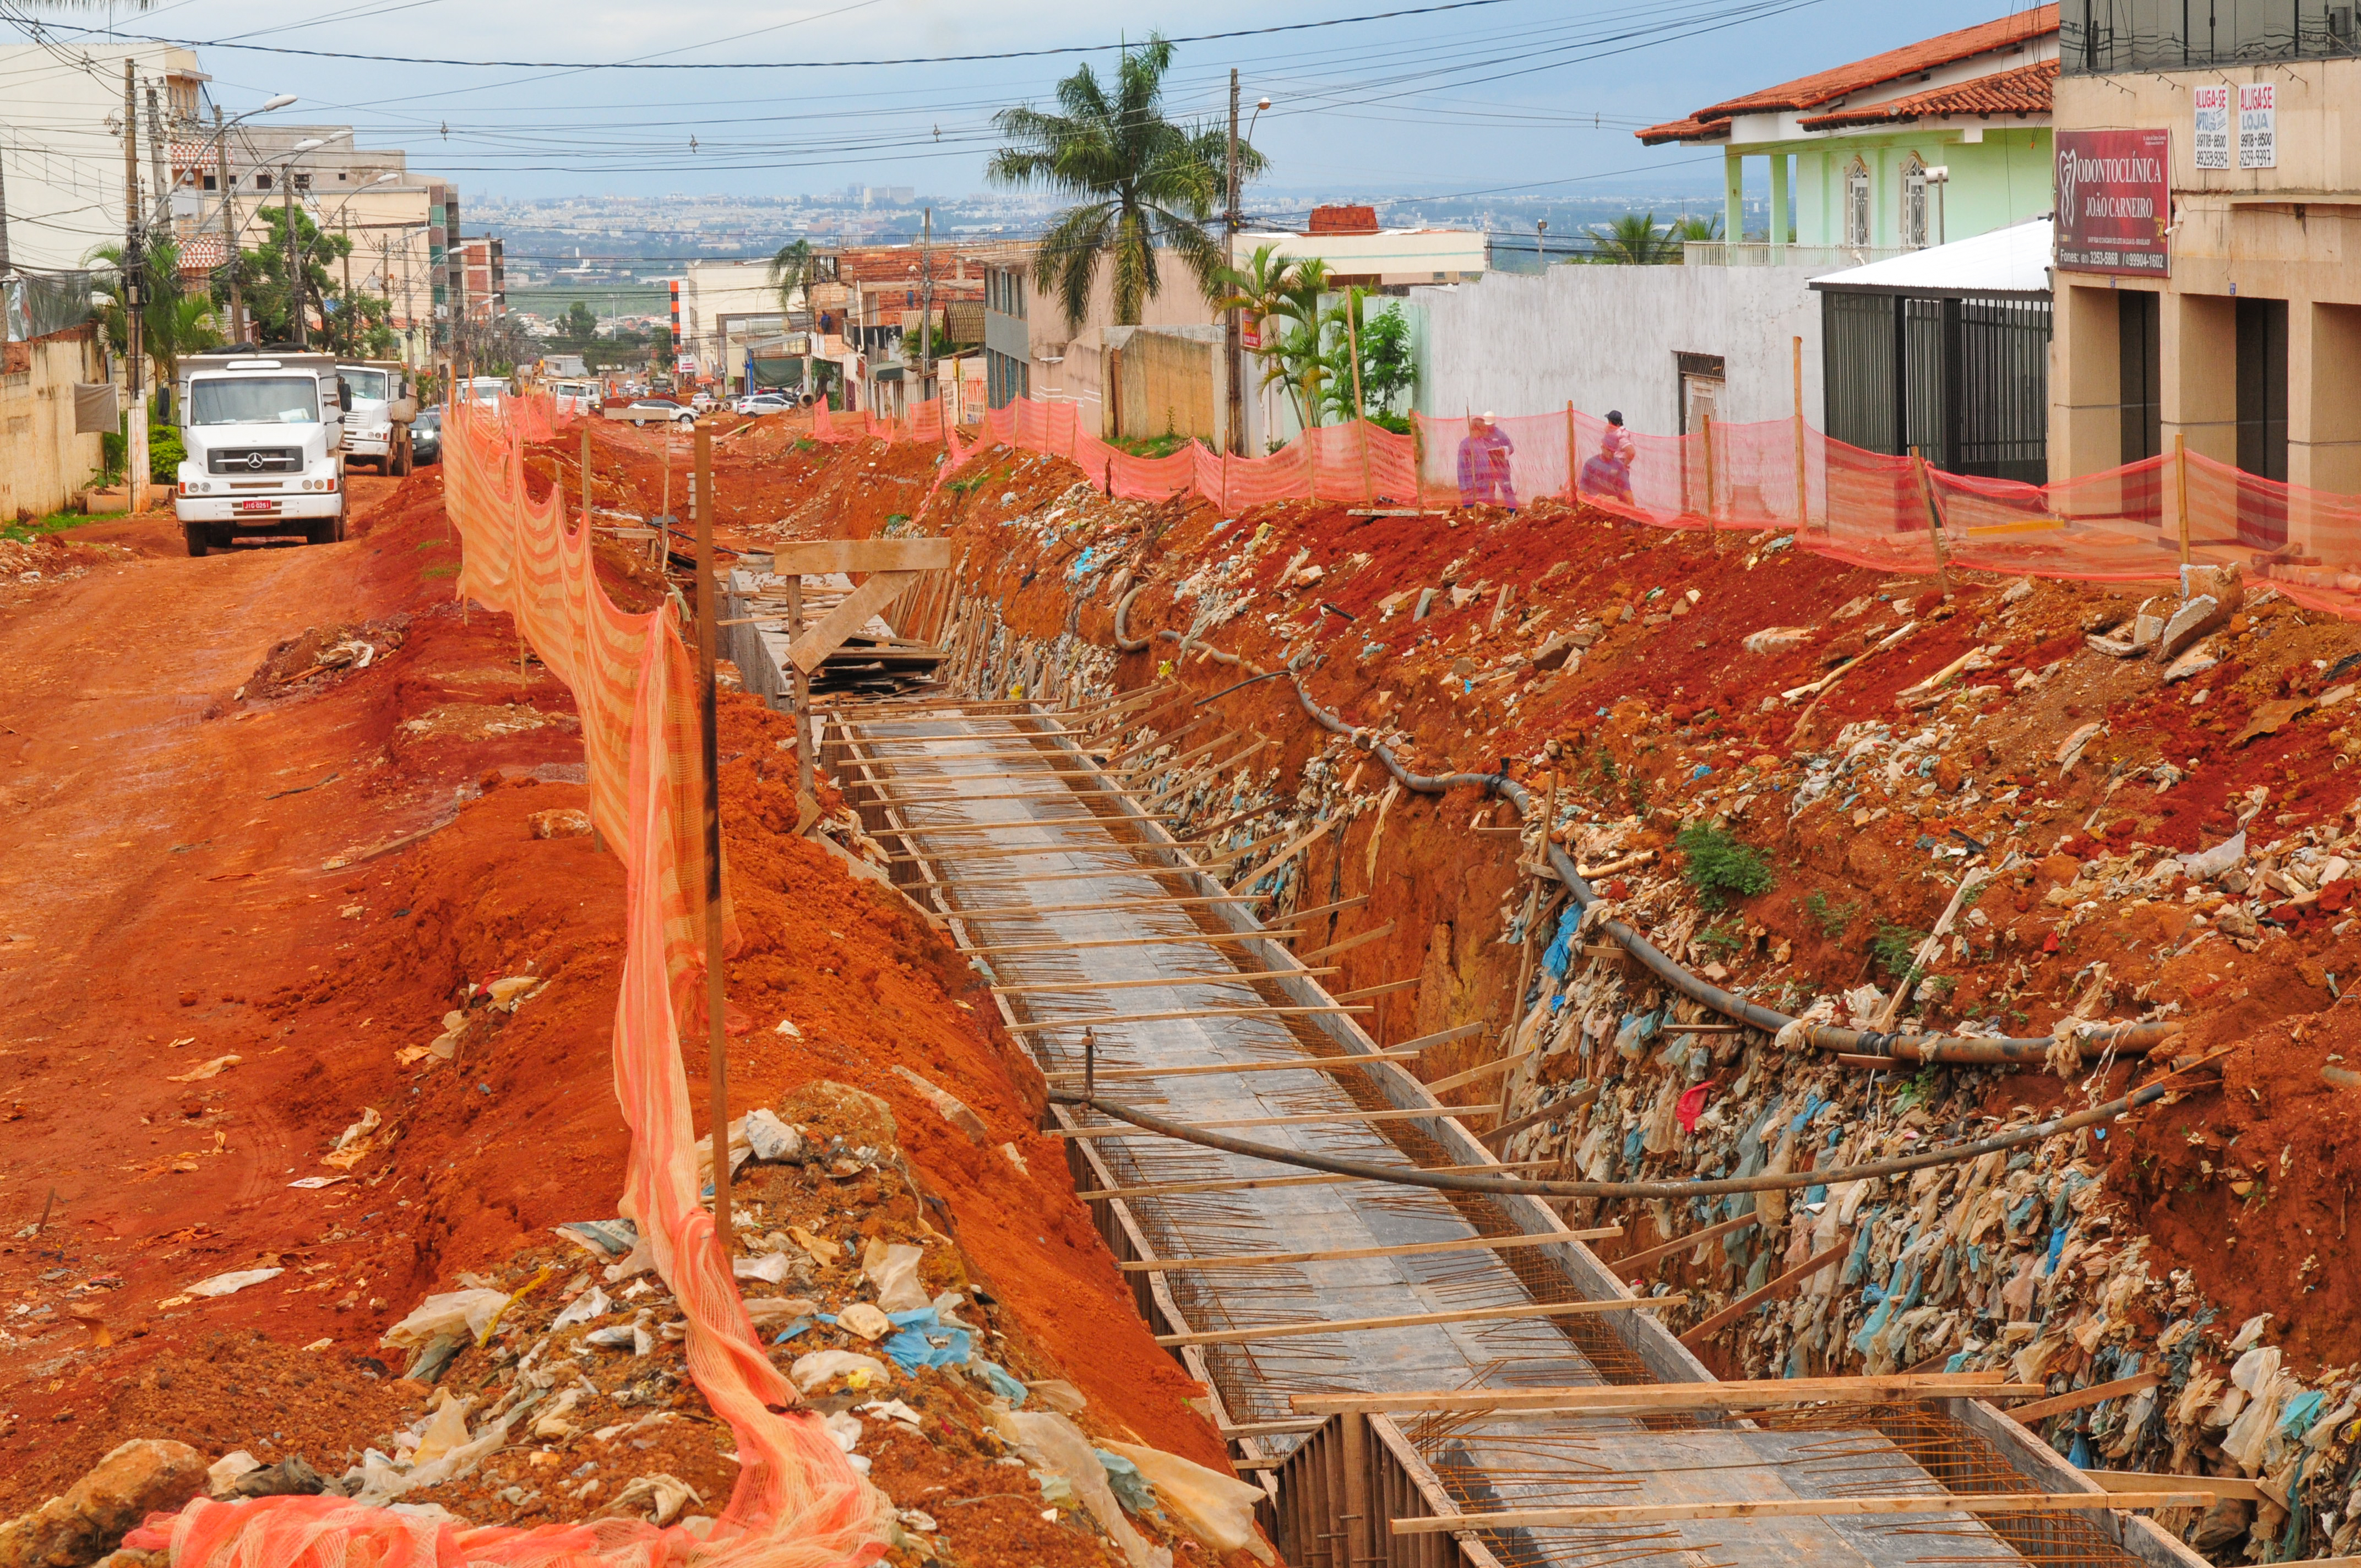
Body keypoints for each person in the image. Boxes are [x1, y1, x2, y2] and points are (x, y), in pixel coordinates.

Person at [1457, 412, 1517, 508]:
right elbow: (1461, 468)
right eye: (1483, 430)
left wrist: (1504, 450)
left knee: (1503, 495)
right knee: (1471, 511)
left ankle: (1513, 510)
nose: (1485, 432)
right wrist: (1463, 488)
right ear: (1475, 429)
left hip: (1490, 480)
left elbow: (1510, 449)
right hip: (1471, 485)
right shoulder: (1465, 444)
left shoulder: (1497, 436)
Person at [1579, 409, 1638, 507]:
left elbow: (1631, 452)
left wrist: (1623, 465)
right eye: (1609, 450)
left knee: (1619, 497)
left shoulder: (1621, 436)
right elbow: (1582, 491)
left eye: (1613, 451)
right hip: (1613, 469)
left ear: (1611, 422)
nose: (1611, 453)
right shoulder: (1591, 463)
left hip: (1617, 470)